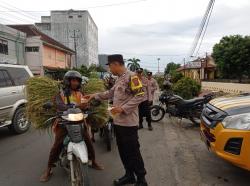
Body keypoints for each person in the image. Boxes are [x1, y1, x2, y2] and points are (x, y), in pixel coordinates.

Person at [85, 54, 148, 186]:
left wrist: (123, 108)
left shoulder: (132, 76)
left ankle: (141, 179)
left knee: (133, 151)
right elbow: (109, 93)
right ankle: (129, 175)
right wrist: (94, 96)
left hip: (129, 123)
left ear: (115, 64)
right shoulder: (119, 79)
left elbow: (140, 96)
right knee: (123, 150)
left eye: (110, 66)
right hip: (118, 122)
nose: (109, 69)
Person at [40, 71, 104, 182]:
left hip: (78, 121)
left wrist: (89, 106)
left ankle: (93, 161)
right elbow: (60, 105)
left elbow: (86, 104)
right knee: (57, 145)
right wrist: (77, 105)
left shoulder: (81, 93)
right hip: (64, 122)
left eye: (77, 80)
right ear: (67, 81)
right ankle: (49, 169)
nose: (75, 82)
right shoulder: (61, 94)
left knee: (88, 141)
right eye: (73, 80)